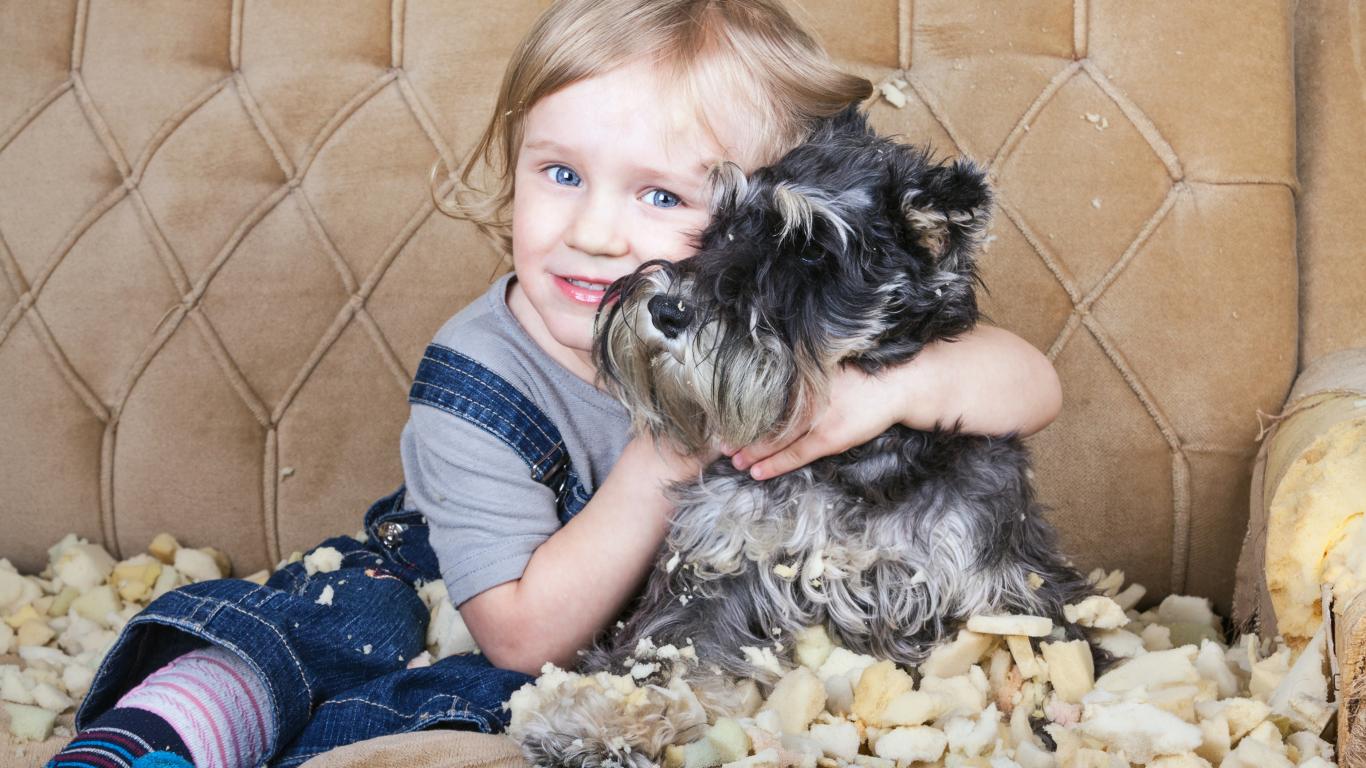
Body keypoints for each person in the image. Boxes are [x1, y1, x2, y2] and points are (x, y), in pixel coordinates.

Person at [47, 1, 1062, 766]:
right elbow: (519, 633)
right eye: (560, 174)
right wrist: (664, 453)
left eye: (662, 195)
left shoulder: (813, 328)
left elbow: (1030, 385)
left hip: (662, 637)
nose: (594, 232)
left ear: (759, 219)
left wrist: (891, 391)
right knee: (319, 645)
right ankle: (153, 740)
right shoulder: (477, 369)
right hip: (468, 599)